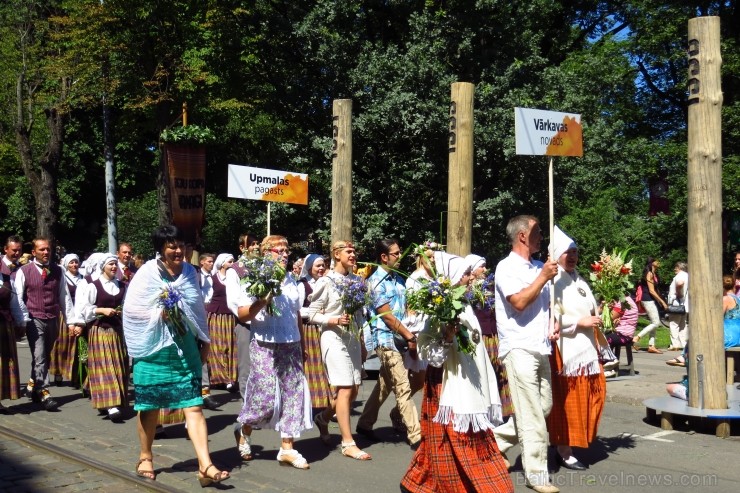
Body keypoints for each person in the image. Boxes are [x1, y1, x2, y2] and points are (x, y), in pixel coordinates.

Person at [122, 225, 229, 485]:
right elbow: (132, 312)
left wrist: (204, 340)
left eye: (181, 245)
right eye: (172, 246)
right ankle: (146, 456)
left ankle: (205, 465)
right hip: (153, 349)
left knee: (193, 405)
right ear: (161, 248)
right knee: (149, 407)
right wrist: (159, 314)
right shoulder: (147, 273)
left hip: (184, 348)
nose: (178, 250)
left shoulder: (190, 272)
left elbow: (196, 310)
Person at [401, 254, 513, 493]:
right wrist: (447, 337)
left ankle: (420, 482)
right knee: (449, 441)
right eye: (465, 273)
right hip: (447, 387)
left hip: (469, 385)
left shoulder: (465, 306)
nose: (471, 277)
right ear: (450, 278)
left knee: (442, 443)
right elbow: (431, 355)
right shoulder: (438, 312)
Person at [493, 215, 560, 493]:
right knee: (532, 415)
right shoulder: (505, 267)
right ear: (522, 236)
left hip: (540, 346)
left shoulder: (538, 266)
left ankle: (493, 443)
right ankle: (536, 474)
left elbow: (542, 306)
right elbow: (519, 302)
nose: (542, 235)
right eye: (538, 231)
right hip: (518, 347)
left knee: (542, 407)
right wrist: (543, 276)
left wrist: (553, 322)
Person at [234, 235, 312, 470]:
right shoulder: (254, 278)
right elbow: (243, 314)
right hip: (264, 342)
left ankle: (287, 448)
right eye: (279, 250)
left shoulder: (292, 279)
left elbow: (296, 313)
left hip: (290, 343)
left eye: (286, 250)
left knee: (293, 394)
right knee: (265, 397)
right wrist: (263, 298)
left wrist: (302, 343)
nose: (285, 254)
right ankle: (245, 428)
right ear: (266, 254)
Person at [546, 226, 606, 471]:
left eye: (575, 252)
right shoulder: (552, 281)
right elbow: (549, 317)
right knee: (568, 402)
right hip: (567, 351)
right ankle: (563, 448)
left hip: (587, 350)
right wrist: (578, 323)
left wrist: (601, 313)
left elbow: (587, 308)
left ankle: (573, 441)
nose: (572, 256)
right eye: (567, 252)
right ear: (556, 254)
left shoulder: (579, 278)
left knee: (594, 395)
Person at [356, 239, 421, 450]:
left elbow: (406, 308)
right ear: (384, 257)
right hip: (386, 340)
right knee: (402, 385)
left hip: (400, 338)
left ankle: (365, 424)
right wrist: (409, 336)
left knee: (384, 384)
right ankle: (416, 435)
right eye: (396, 253)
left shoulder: (398, 280)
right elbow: (387, 317)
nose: (400, 256)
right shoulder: (375, 281)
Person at [309, 240, 370, 460]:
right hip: (333, 337)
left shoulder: (357, 281)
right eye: (348, 252)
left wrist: (362, 342)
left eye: (354, 251)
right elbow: (311, 313)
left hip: (353, 338)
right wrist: (333, 319)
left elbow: (360, 315)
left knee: (353, 390)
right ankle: (348, 442)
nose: (353, 255)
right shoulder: (326, 281)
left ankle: (323, 418)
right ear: (337, 255)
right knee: (344, 389)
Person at [14, 237, 73, 411]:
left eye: (48, 249)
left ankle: (34, 387)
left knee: (44, 356)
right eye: (42, 250)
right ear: (34, 252)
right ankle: (45, 392)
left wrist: (71, 321)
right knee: (39, 356)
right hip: (34, 318)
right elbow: (18, 297)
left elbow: (64, 296)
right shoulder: (24, 271)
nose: (46, 252)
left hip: (53, 317)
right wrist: (21, 320)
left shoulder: (58, 270)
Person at [74, 254, 128, 421]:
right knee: (105, 367)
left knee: (119, 366)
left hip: (117, 332)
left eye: (115, 265)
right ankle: (111, 405)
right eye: (111, 264)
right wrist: (101, 310)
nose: (113, 267)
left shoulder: (122, 285)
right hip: (100, 330)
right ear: (103, 266)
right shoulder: (93, 285)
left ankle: (112, 402)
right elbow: (85, 308)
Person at [466, 253, 514, 417]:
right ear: (472, 269)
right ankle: (484, 410)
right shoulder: (466, 289)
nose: (485, 269)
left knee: (500, 371)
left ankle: (504, 411)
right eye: (481, 266)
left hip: (494, 334)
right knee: (484, 373)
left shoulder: (490, 286)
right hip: (479, 336)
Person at [296, 254, 332, 412]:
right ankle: (312, 400)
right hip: (309, 329)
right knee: (312, 364)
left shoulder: (327, 283)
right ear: (309, 268)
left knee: (325, 363)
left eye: (323, 265)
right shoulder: (302, 285)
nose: (321, 268)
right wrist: (315, 311)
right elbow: (297, 310)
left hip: (324, 327)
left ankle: (326, 399)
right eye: (318, 266)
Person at [199, 252, 231, 409]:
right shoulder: (199, 276)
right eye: (208, 261)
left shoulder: (208, 277)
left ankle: (205, 392)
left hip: (205, 313)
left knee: (206, 349)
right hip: (202, 313)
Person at [49, 254, 84, 386]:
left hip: (79, 314)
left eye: (76, 262)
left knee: (78, 347)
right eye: (71, 263)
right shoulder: (63, 278)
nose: (74, 265)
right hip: (65, 315)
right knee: (62, 346)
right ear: (66, 265)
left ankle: (76, 375)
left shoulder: (83, 278)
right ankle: (58, 372)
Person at [0, 241, 24, 414]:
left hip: (4, 323)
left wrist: (20, 322)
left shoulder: (7, 278)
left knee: (3, 362)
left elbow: (15, 303)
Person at [632, 258, 668, 354]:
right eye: (656, 261)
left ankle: (651, 346)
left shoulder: (654, 274)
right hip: (647, 299)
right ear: (652, 263)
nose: (658, 262)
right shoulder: (649, 274)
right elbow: (651, 290)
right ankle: (637, 337)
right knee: (656, 323)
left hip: (650, 299)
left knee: (653, 322)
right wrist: (662, 301)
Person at [606, 294, 640, 374]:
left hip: (623, 335)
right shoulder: (626, 299)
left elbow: (608, 319)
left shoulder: (622, 302)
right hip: (624, 333)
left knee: (600, 338)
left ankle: (608, 362)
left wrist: (606, 308)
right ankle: (607, 361)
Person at [667, 262, 689, 351]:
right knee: (682, 324)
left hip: (677, 303)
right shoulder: (688, 276)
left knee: (674, 324)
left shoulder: (680, 276)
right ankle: (683, 343)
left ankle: (675, 344)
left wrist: (679, 293)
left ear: (680, 267)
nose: (674, 269)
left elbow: (680, 283)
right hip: (685, 304)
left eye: (676, 267)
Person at [723, 275, 740, 349]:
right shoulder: (738, 299)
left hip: (729, 334)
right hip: (738, 334)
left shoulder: (725, 299)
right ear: (734, 285)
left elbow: (717, 318)